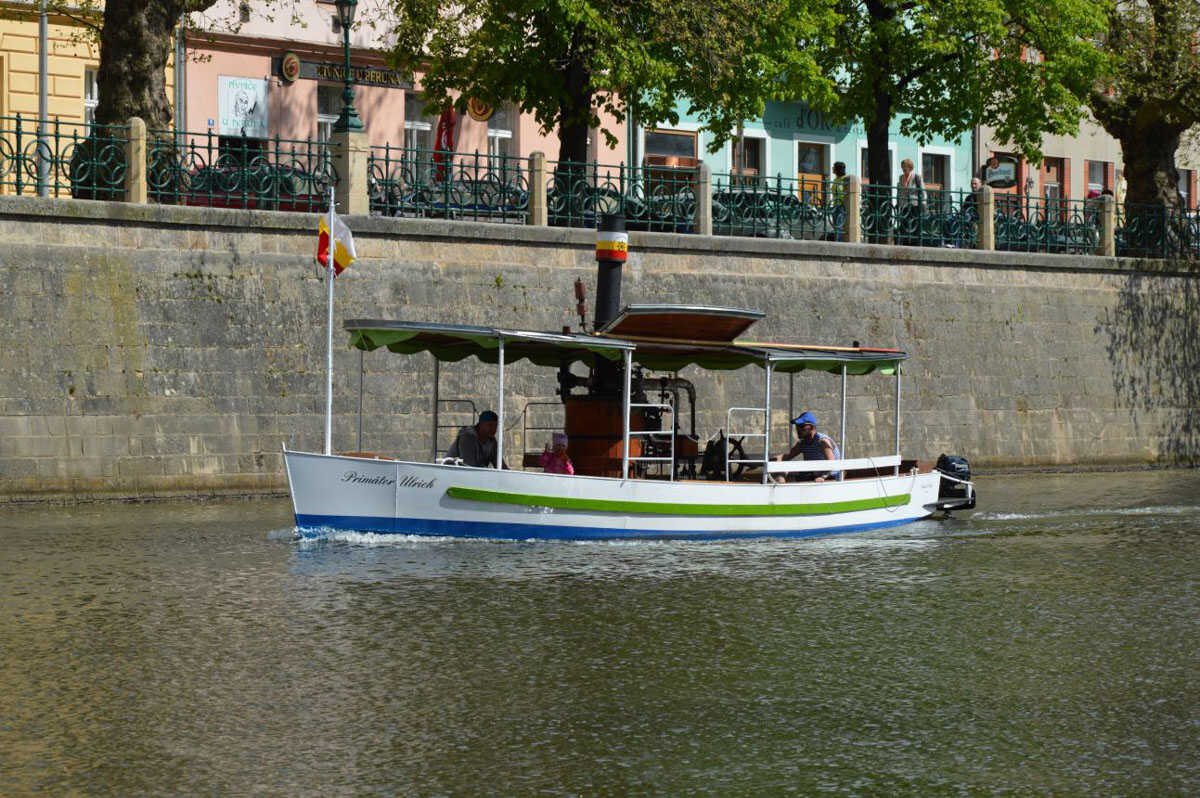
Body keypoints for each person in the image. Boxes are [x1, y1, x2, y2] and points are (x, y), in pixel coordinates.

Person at [774, 411, 841, 483]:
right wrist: (773, 459)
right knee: (784, 472)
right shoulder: (803, 443)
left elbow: (831, 463)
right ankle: (780, 486)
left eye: (802, 426)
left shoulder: (822, 442)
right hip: (814, 475)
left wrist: (822, 477)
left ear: (812, 427)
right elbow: (787, 456)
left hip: (830, 477)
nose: (798, 429)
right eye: (797, 426)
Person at [896, 158, 925, 245]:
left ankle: (916, 243)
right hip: (904, 205)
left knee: (915, 224)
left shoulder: (916, 177)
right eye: (902, 167)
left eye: (905, 167)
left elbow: (923, 191)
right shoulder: (901, 177)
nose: (903, 169)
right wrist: (898, 202)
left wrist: (923, 203)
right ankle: (905, 242)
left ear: (910, 167)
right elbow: (900, 191)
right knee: (904, 223)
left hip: (914, 205)